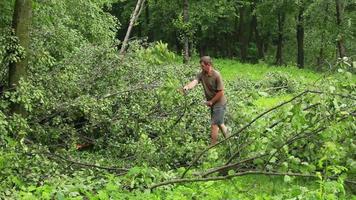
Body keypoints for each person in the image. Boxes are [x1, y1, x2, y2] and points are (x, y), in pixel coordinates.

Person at [183, 56, 228, 145]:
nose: (201, 68)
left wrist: (211, 101)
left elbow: (221, 93)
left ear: (209, 65)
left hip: (219, 102)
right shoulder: (202, 74)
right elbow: (195, 81)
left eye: (203, 66)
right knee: (220, 124)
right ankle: (229, 139)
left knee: (214, 125)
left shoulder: (216, 75)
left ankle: (212, 148)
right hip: (212, 103)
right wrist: (187, 87)